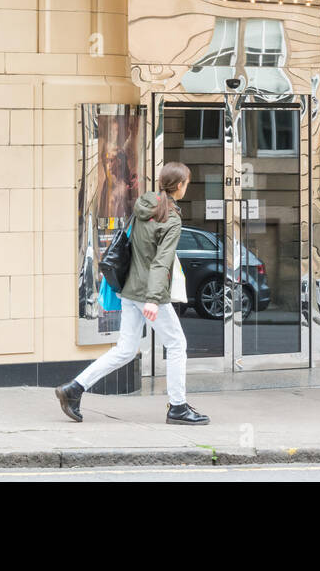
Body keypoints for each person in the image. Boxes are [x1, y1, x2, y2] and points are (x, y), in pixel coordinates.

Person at [55, 162, 209, 426]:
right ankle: (178, 407)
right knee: (176, 344)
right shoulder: (170, 218)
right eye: (186, 183)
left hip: (130, 289)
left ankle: (75, 388)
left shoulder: (144, 205)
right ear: (180, 185)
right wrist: (152, 298)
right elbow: (161, 261)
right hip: (149, 293)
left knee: (125, 349)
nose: (186, 187)